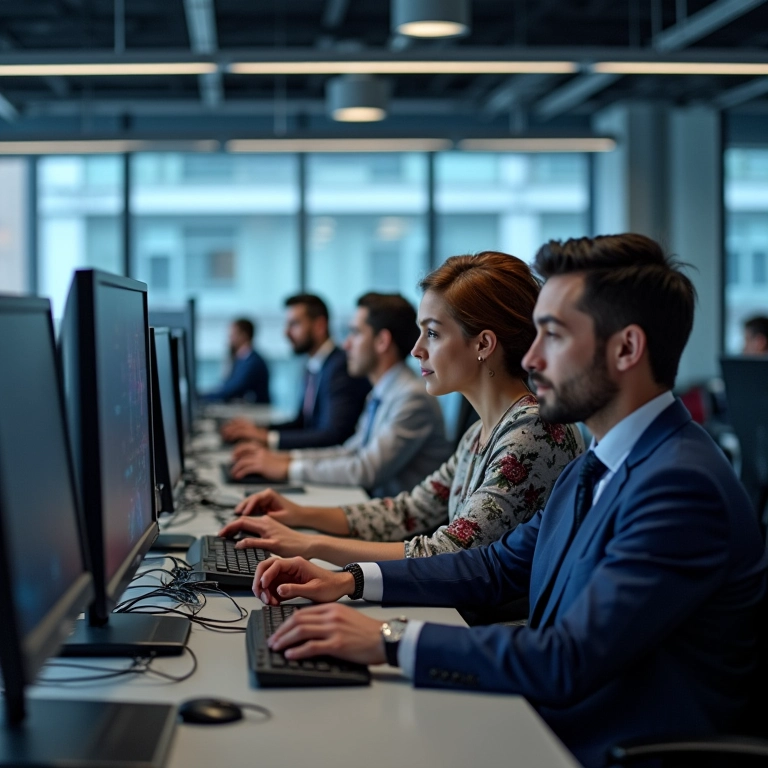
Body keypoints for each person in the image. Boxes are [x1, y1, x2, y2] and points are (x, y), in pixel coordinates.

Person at [251, 234, 768, 768]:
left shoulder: (680, 485)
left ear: (626, 349)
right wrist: (349, 580)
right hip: (548, 715)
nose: (533, 357)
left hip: (598, 746)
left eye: (554, 336)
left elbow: (567, 657)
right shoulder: (597, 463)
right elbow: (497, 566)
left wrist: (388, 638)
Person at [221, 251, 583, 566]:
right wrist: (299, 514)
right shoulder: (480, 432)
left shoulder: (533, 431)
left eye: (433, 333)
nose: (416, 349)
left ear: (483, 344)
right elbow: (408, 511)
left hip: (490, 619)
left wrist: (313, 546)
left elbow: (451, 552)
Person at [227, 292, 452, 496]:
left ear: (382, 341)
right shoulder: (382, 393)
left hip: (400, 520)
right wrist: (283, 459)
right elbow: (350, 451)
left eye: (355, 333)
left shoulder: (411, 398)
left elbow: (366, 470)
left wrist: (288, 469)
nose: (346, 345)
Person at [220, 294, 370, 450]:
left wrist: (268, 438)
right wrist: (259, 430)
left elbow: (333, 435)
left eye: (294, 324)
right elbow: (303, 422)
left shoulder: (340, 367)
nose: (286, 333)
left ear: (319, 326)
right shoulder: (313, 366)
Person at [201, 318, 270, 403]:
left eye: (232, 335)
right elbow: (227, 385)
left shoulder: (253, 362)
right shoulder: (241, 359)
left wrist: (202, 396)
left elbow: (234, 389)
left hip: (257, 409)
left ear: (244, 335)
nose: (229, 339)